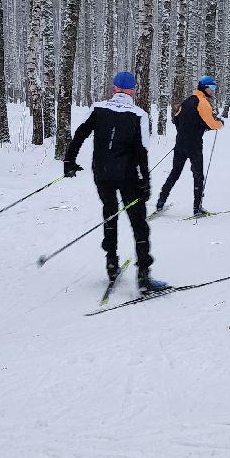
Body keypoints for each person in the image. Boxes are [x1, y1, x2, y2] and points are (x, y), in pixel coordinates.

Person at [64, 71, 169, 293]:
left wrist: (69, 161)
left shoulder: (98, 108)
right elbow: (142, 152)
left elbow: (80, 134)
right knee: (138, 223)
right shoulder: (139, 115)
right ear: (132, 91)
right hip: (128, 176)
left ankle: (111, 265)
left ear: (114, 89)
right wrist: (146, 181)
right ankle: (144, 276)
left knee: (110, 215)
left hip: (102, 174)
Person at [155, 75, 224, 217]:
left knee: (175, 173)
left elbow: (176, 119)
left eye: (214, 88)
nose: (213, 90)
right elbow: (211, 124)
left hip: (180, 144)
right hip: (194, 145)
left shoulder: (187, 101)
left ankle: (160, 202)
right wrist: (220, 123)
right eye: (211, 87)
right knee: (198, 175)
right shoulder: (203, 102)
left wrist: (185, 131)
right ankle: (197, 208)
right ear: (204, 88)